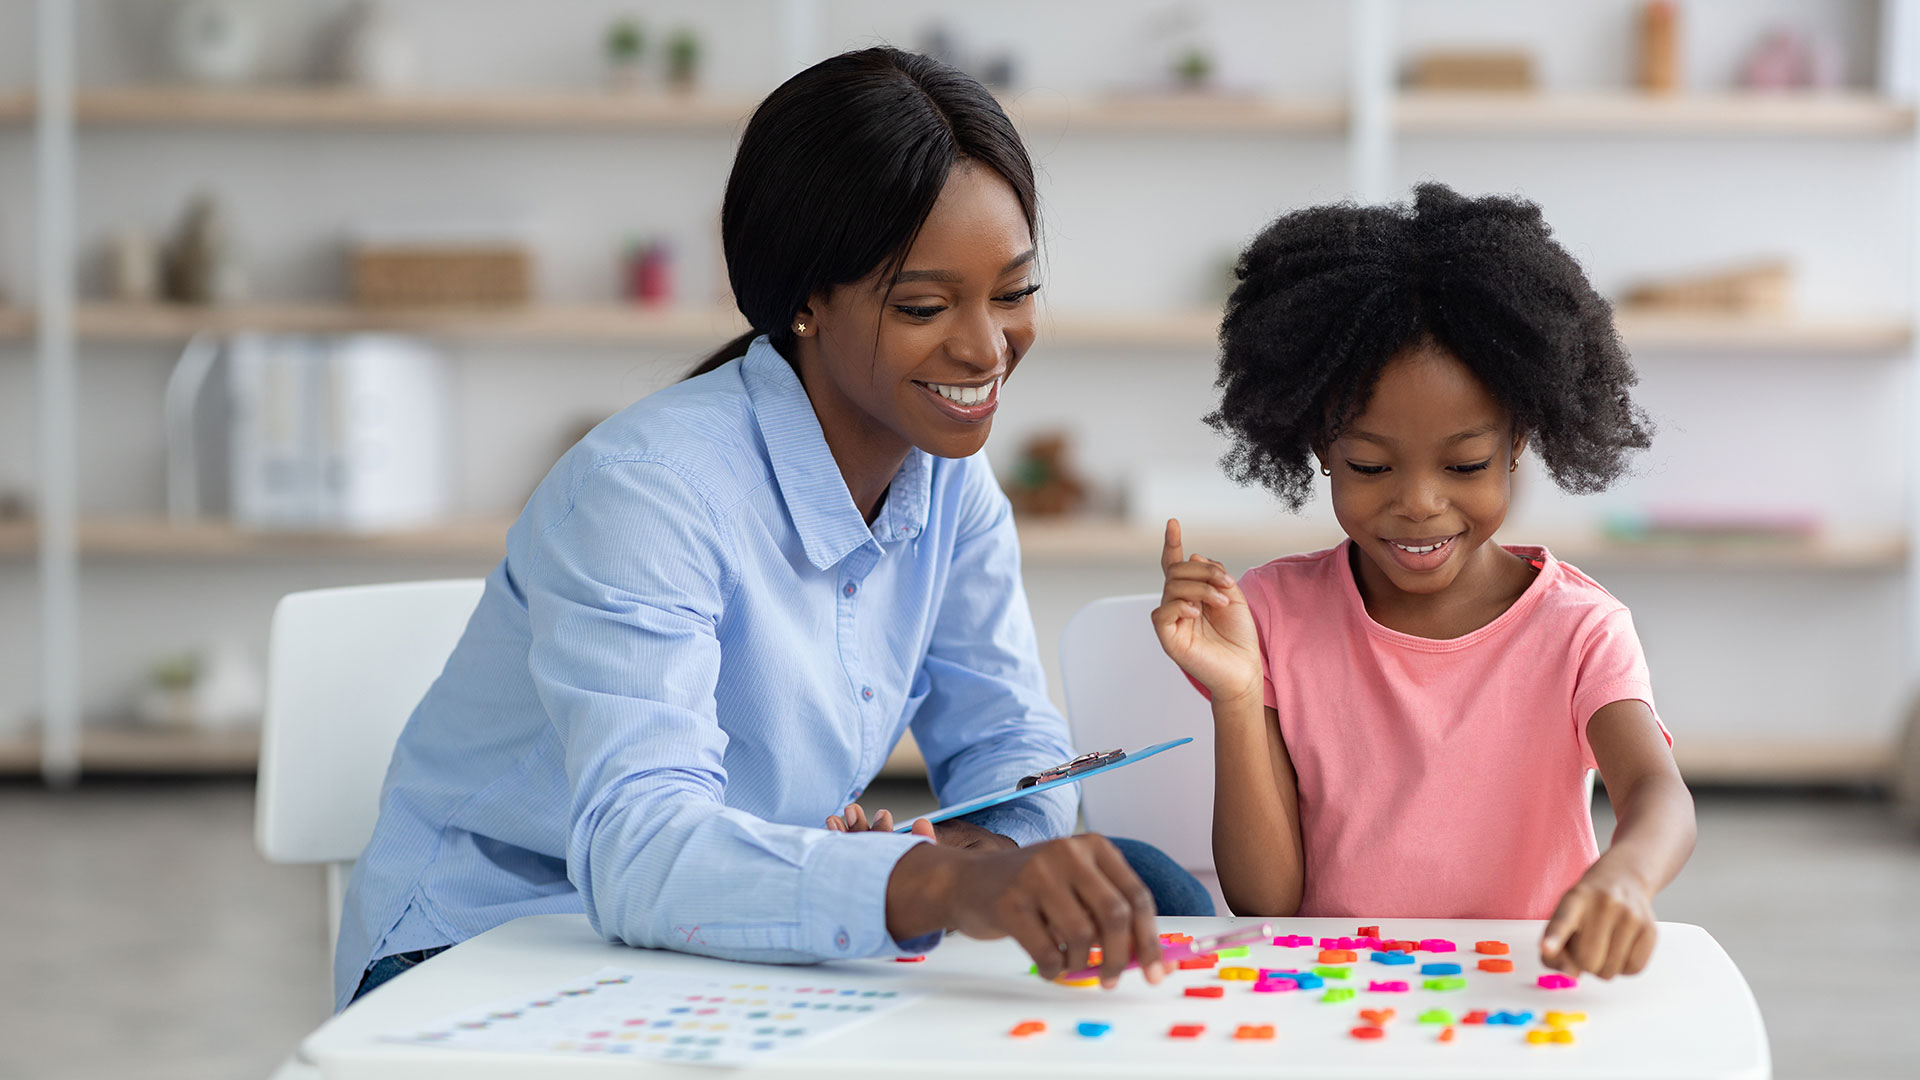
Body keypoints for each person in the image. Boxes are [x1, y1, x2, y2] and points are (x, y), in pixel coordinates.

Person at [334, 47, 1209, 1014]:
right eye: (925, 306)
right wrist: (934, 887)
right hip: (497, 948)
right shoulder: (649, 491)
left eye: (1014, 292)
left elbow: (1007, 734)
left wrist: (989, 851)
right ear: (804, 303)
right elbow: (641, 849)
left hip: (723, 939)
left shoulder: (947, 473)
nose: (985, 348)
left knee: (1142, 885)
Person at [1155, 183, 1696, 980]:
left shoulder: (1580, 630)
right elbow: (1265, 900)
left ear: (1519, 441)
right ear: (1319, 448)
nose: (1418, 503)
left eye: (1466, 464)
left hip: (1520, 995)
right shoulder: (1272, 612)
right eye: (1370, 466)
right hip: (1333, 998)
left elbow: (1660, 796)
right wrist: (1238, 697)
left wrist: (1627, 874)